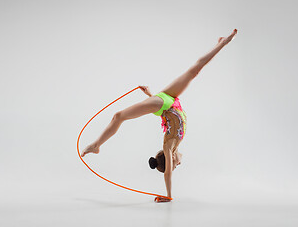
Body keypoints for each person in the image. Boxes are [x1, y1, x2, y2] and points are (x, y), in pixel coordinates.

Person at [81, 29, 238, 202]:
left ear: (168, 159)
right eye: (176, 165)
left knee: (118, 116)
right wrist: (150, 95)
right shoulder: (176, 143)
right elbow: (169, 118)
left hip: (163, 102)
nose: (179, 164)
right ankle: (221, 44)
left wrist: (168, 196)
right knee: (195, 71)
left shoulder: (169, 147)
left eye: (175, 165)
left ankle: (96, 145)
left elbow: (168, 173)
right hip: (169, 99)